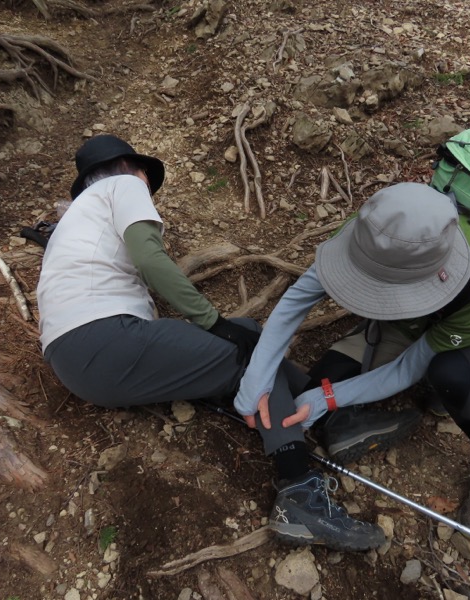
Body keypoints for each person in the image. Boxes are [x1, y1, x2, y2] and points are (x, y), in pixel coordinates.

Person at [37, 134, 385, 552]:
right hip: (107, 337)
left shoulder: (74, 221)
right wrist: (211, 321)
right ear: (136, 169)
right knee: (252, 353)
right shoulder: (125, 185)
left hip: (76, 361)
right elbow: (150, 259)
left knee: (250, 332)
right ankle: (298, 489)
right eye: (147, 177)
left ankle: (329, 414)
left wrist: (226, 326)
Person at [235, 182, 470, 541]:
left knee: (450, 374)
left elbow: (409, 366)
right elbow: (298, 298)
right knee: (322, 378)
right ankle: (351, 424)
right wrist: (257, 376)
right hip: (404, 322)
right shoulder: (372, 228)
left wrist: (329, 398)